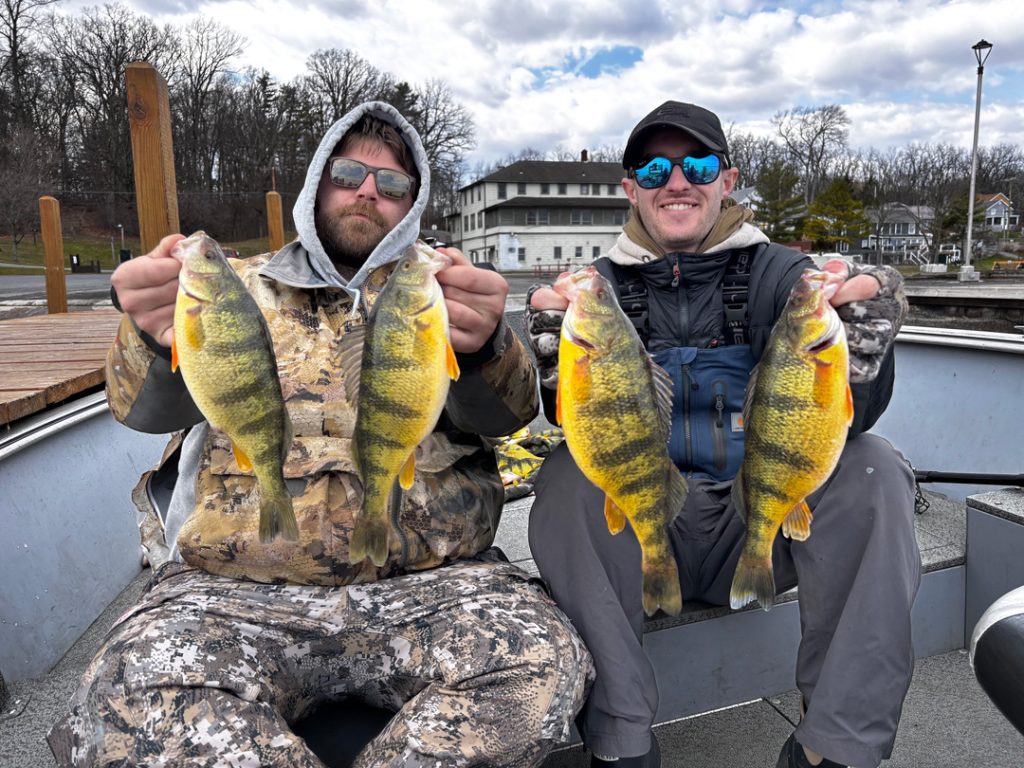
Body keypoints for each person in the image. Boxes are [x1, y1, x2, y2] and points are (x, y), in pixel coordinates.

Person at [49, 101, 592, 767]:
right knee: (122, 693)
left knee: (539, 669)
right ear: (316, 182)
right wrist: (148, 337)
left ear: (413, 207)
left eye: (394, 185)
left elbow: (508, 418)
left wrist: (486, 350)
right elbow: (140, 410)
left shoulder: (442, 291)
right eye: (349, 172)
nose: (369, 191)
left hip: (436, 586)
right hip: (234, 594)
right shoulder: (230, 285)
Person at [525, 101, 919, 768]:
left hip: (760, 519)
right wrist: (553, 364)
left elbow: (854, 414)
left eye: (696, 164)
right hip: (648, 530)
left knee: (877, 469)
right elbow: (580, 425)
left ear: (726, 180)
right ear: (630, 189)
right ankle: (621, 743)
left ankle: (834, 749)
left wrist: (866, 339)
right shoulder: (598, 293)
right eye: (653, 168)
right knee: (564, 477)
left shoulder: (782, 278)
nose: (675, 181)